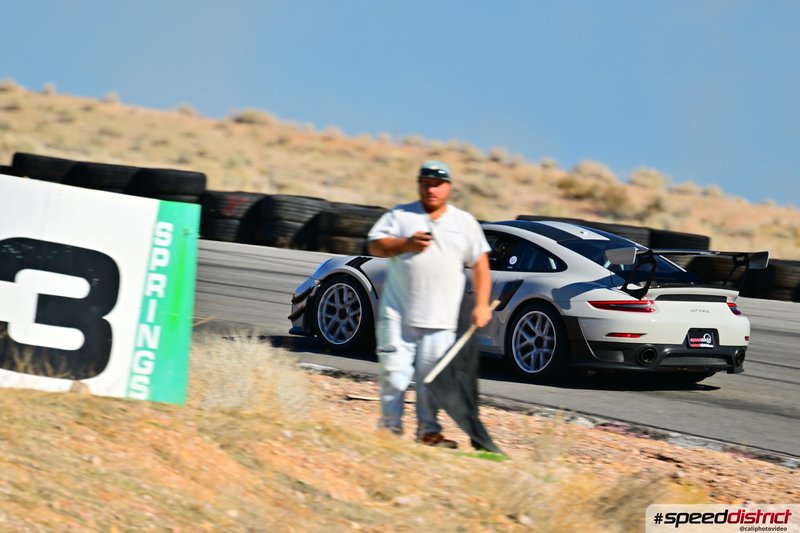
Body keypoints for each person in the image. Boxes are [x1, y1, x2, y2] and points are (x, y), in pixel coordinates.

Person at [367, 160, 492, 448]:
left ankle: (428, 433)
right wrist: (405, 245)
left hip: (441, 321)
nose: (431, 189)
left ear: (448, 187)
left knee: (431, 382)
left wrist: (482, 305)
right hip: (397, 315)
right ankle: (389, 433)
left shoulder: (464, 223)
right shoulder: (400, 215)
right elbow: (375, 245)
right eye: (425, 183)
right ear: (419, 184)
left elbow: (481, 263)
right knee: (394, 376)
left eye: (437, 184)